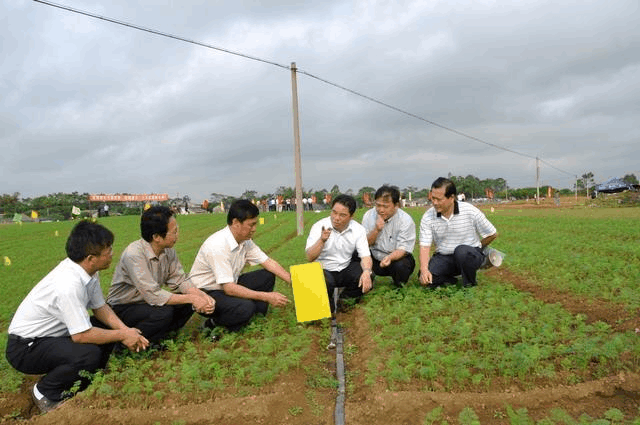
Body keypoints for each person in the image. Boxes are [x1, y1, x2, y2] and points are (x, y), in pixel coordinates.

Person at [6, 221, 149, 413]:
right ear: (91, 258)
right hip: (26, 348)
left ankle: (87, 380)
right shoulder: (68, 285)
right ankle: (45, 391)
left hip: (52, 337)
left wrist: (124, 330)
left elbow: (100, 308)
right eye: (108, 250)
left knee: (106, 330)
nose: (112, 254)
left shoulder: (88, 271)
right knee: (88, 354)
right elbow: (81, 336)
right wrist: (124, 336)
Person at [107, 206, 215, 344]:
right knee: (164, 313)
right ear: (156, 237)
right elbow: (153, 295)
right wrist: (192, 298)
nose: (177, 235)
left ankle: (165, 338)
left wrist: (201, 296)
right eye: (174, 232)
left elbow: (180, 280)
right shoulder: (134, 255)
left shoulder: (168, 251)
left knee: (188, 300)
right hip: (124, 307)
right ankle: (131, 344)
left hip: (147, 302)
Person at [189, 199, 291, 332]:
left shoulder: (245, 241)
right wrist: (267, 297)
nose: (254, 229)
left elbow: (268, 262)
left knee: (267, 275)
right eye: (251, 225)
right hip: (207, 293)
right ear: (236, 223)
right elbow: (229, 289)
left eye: (255, 224)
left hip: (228, 285)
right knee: (245, 307)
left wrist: (292, 280)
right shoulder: (218, 245)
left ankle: (256, 318)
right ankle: (213, 324)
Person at [419, 177, 498, 288]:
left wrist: (479, 246)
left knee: (462, 252)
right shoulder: (428, 216)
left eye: (439, 199)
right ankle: (452, 281)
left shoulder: (470, 211)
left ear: (451, 198)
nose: (434, 203)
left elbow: (492, 233)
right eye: (433, 198)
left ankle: (470, 284)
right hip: (444, 256)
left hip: (468, 254)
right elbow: (424, 247)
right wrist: (424, 270)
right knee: (426, 279)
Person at [305, 194, 373, 312]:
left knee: (367, 274)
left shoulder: (358, 229)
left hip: (344, 268)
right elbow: (309, 257)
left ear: (351, 216)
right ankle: (327, 307)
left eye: (342, 215)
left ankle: (345, 301)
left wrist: (367, 272)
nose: (336, 218)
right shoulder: (318, 226)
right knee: (315, 281)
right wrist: (321, 241)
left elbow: (365, 256)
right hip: (324, 270)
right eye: (334, 212)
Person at [361, 185, 416, 288]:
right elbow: (364, 244)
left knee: (402, 265)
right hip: (374, 258)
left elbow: (403, 249)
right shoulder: (369, 216)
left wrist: (390, 258)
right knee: (355, 254)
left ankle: (399, 286)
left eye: (385, 206)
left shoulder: (405, 220)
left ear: (396, 205)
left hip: (394, 258)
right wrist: (376, 230)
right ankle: (366, 280)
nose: (381, 210)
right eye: (378, 205)